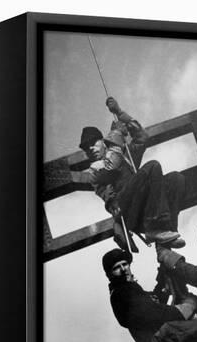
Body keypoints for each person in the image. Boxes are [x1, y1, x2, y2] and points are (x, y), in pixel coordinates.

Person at [79, 97, 186, 248]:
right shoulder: (94, 170)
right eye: (86, 148)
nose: (90, 148)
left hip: (144, 207)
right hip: (125, 211)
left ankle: (167, 233)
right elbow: (111, 166)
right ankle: (155, 228)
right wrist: (116, 134)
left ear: (102, 141)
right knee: (153, 166)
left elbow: (142, 138)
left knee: (176, 178)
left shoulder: (124, 155)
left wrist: (120, 113)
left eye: (93, 143)